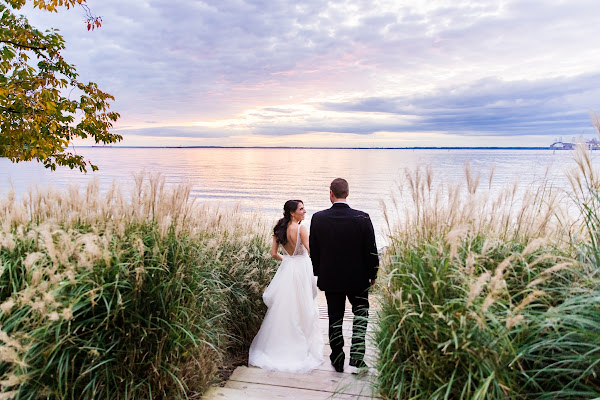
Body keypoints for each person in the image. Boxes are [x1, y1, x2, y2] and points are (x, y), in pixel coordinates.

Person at [309, 178, 379, 373]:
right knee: (361, 316)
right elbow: (371, 250)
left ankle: (338, 359)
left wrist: (318, 272)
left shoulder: (318, 218)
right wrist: (373, 273)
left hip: (331, 278)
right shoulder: (362, 218)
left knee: (335, 318)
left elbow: (314, 250)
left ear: (331, 193)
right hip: (358, 279)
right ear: (347, 193)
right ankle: (357, 357)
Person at [248, 200, 324, 373]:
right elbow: (311, 252)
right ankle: (300, 344)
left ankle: (279, 344)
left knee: (285, 307)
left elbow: (274, 254)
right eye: (301, 209)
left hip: (288, 269)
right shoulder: (301, 229)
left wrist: (288, 261)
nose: (305, 211)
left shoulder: (278, 229)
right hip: (302, 269)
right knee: (303, 305)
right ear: (292, 212)